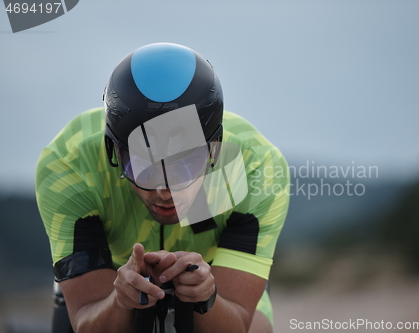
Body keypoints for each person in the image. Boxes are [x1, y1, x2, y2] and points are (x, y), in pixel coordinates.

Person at [35, 42, 290, 333]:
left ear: (215, 149)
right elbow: (88, 320)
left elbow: (236, 322)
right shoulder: (70, 165)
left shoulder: (254, 168)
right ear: (114, 151)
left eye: (187, 162)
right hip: (111, 281)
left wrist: (207, 298)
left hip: (216, 275)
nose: (165, 190)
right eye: (144, 164)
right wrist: (119, 301)